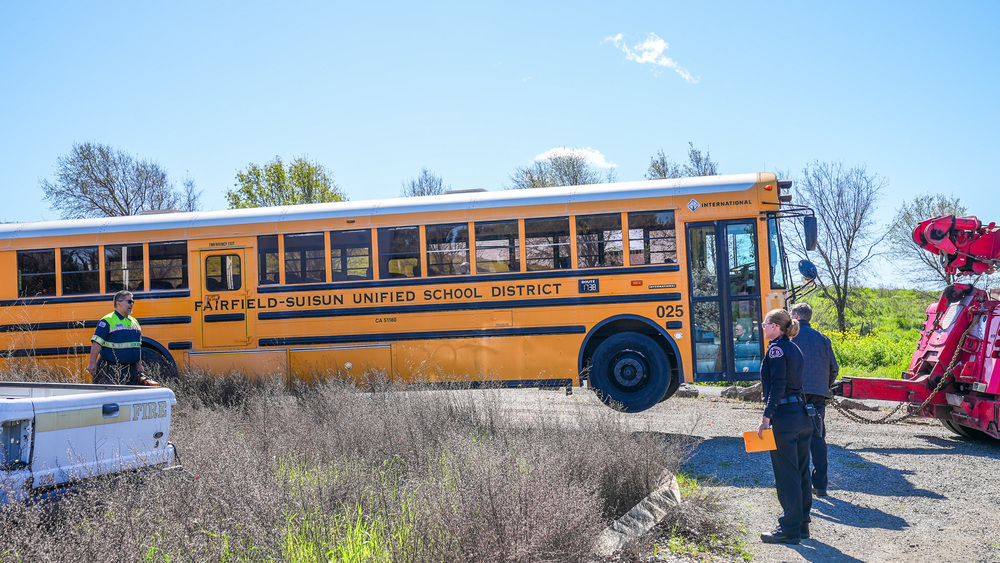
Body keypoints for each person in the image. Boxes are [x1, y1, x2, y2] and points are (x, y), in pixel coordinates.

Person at [757, 308, 812, 544]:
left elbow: (778, 386)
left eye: (765, 323)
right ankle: (801, 526)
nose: (762, 327)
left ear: (775, 327)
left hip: (785, 418)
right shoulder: (794, 348)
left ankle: (789, 529)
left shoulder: (777, 349)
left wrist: (766, 418)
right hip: (800, 414)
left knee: (786, 474)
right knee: (801, 472)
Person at [791, 302, 839, 497]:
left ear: (795, 315)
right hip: (818, 394)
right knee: (817, 437)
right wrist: (823, 385)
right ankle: (820, 484)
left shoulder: (790, 337)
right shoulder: (823, 338)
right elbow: (834, 368)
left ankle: (796, 482)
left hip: (795, 393)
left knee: (793, 436)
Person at [86, 291, 152, 385]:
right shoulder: (107, 321)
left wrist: (139, 365)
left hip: (132, 369)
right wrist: (92, 363)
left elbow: (137, 346)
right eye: (129, 301)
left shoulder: (134, 322)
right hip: (114, 369)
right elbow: (97, 343)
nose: (132, 304)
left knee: (131, 398)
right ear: (118, 303)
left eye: (133, 302)